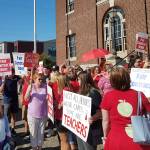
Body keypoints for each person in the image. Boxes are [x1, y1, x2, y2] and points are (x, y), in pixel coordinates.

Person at [100, 67, 150, 150]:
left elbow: (106, 121)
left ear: (112, 81)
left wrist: (105, 137)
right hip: (138, 139)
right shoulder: (139, 95)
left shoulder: (108, 96)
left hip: (116, 139)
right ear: (128, 79)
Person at [77, 71, 103, 150]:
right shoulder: (81, 91)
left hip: (91, 130)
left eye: (79, 79)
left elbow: (100, 112)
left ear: (84, 80)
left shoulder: (94, 93)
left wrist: (93, 118)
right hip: (80, 128)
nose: (77, 81)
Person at [25, 73, 48, 150]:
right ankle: (34, 148)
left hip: (43, 114)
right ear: (34, 79)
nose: (41, 81)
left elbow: (49, 98)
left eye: (42, 79)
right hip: (32, 115)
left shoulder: (45, 87)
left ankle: (40, 147)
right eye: (39, 79)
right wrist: (29, 90)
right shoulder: (31, 86)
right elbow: (26, 99)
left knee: (41, 133)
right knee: (33, 134)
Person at [0, 68, 21, 136]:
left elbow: (21, 81)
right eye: (11, 72)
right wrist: (4, 82)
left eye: (13, 72)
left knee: (13, 115)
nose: (12, 74)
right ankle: (6, 130)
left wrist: (22, 78)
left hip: (14, 99)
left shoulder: (16, 77)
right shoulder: (5, 78)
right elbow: (1, 90)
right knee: (5, 116)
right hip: (7, 99)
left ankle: (13, 129)